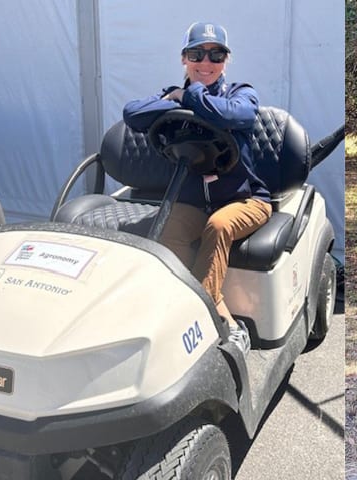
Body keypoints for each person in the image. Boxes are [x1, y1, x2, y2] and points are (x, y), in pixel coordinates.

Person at [123, 22, 271, 353]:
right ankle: (172, 311)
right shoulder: (173, 95)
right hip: (194, 203)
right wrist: (176, 99)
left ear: (226, 61)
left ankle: (216, 318)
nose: (206, 62)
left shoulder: (239, 93)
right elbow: (133, 114)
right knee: (166, 231)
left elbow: (240, 114)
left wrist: (189, 96)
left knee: (218, 225)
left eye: (216, 55)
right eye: (197, 54)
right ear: (183, 58)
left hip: (246, 200)